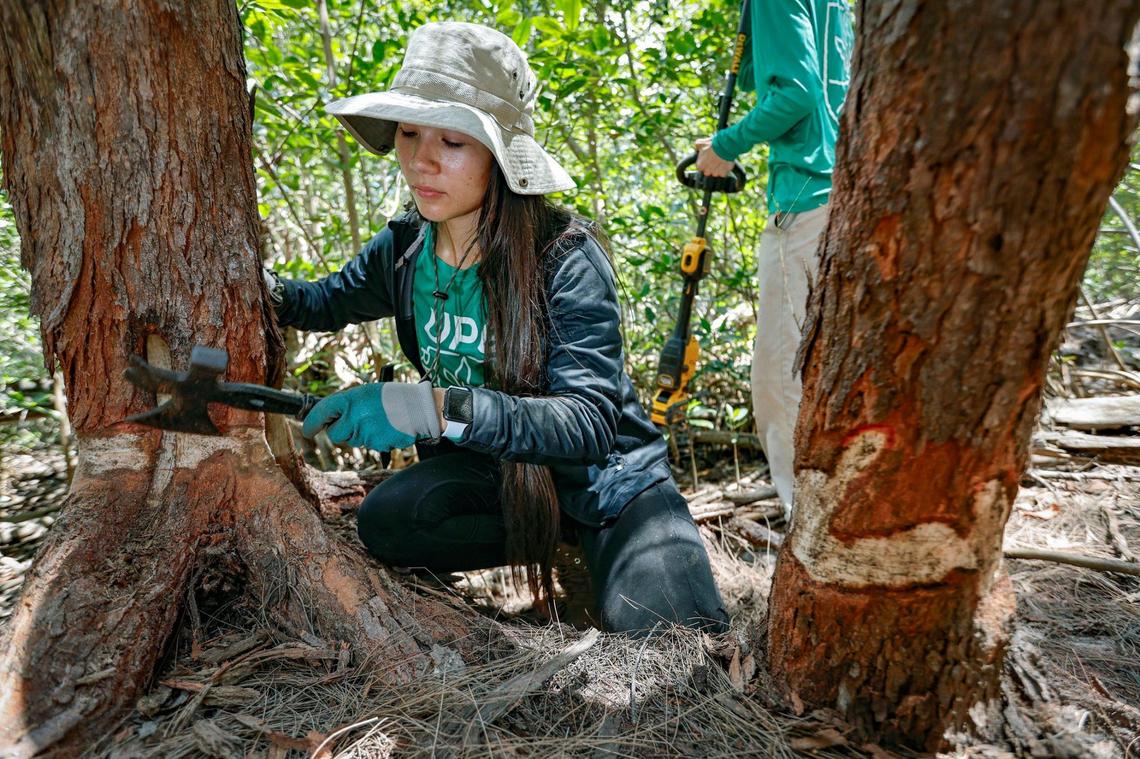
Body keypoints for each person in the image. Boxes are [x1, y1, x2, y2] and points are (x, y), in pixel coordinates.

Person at [267, 21, 728, 636]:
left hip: (604, 481)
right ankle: (550, 542)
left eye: (453, 141)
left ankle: (601, 551)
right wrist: (256, 287)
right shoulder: (404, 250)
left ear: (499, 155)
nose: (421, 159)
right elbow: (322, 303)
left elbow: (588, 423)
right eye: (408, 133)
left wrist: (429, 407)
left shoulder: (563, 256)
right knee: (390, 521)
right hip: (497, 475)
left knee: (674, 639)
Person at [694, 0, 854, 516]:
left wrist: (726, 143)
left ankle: (804, 523)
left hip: (804, 203)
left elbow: (796, 94)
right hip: (844, 190)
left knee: (779, 377)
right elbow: (809, 81)